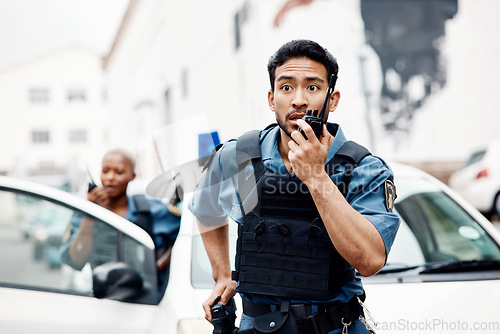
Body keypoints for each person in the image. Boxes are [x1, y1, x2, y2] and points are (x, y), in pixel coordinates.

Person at [188, 40, 400, 333]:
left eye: (312, 87)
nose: (299, 100)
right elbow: (205, 208)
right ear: (271, 99)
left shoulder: (363, 168)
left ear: (333, 99)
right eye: (286, 87)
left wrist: (316, 176)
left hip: (334, 326)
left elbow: (370, 260)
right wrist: (222, 274)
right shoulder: (237, 156)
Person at [61, 148, 181, 296]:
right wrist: (89, 214)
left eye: (119, 172)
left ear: (132, 176)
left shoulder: (152, 210)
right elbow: (75, 261)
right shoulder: (86, 212)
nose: (110, 177)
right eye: (105, 171)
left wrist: (158, 267)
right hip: (104, 298)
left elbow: (184, 239)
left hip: (149, 301)